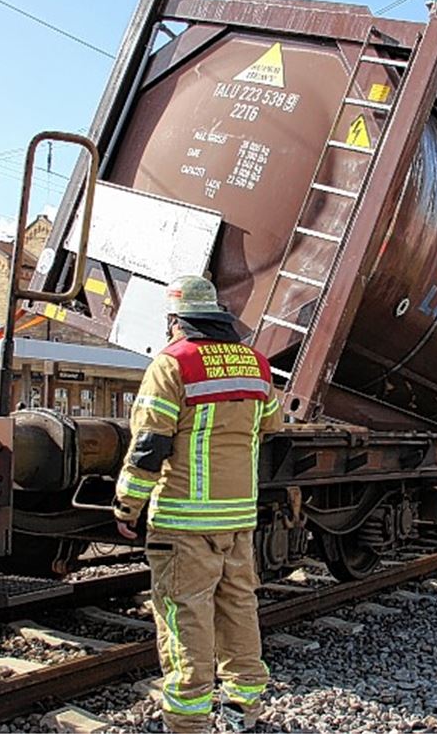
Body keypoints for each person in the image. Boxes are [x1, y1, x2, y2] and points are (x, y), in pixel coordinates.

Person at [113, 275, 282, 733]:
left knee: (185, 615)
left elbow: (149, 445)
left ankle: (187, 723)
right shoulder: (257, 366)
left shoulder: (173, 364)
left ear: (176, 320)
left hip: (184, 520)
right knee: (238, 609)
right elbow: (269, 425)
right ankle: (243, 709)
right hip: (237, 518)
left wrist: (127, 505)